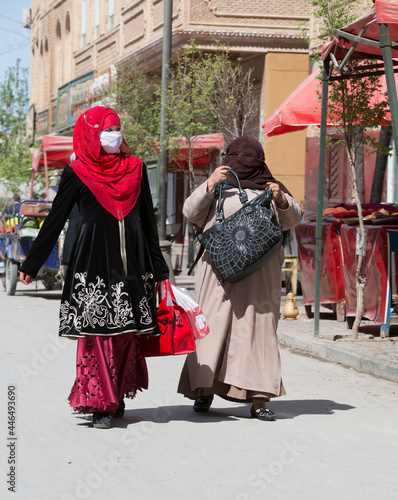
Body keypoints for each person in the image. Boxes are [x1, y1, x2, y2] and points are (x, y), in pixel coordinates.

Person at [19, 106, 169, 428]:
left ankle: (116, 392)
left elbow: (147, 222)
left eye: (117, 129)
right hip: (93, 263)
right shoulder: (77, 172)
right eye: (107, 130)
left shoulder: (136, 169)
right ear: (91, 134)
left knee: (126, 334)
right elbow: (56, 218)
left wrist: (159, 269)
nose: (114, 136)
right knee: (97, 334)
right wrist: (31, 263)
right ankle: (99, 402)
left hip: (132, 264)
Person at [177, 136, 302, 421]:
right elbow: (190, 213)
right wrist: (208, 185)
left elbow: (294, 219)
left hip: (260, 273)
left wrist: (281, 200)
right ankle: (202, 391)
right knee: (212, 328)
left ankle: (259, 400)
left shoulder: (272, 188)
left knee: (257, 332)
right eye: (237, 154)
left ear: (260, 160)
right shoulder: (217, 186)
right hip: (218, 271)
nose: (242, 160)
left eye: (249, 155)